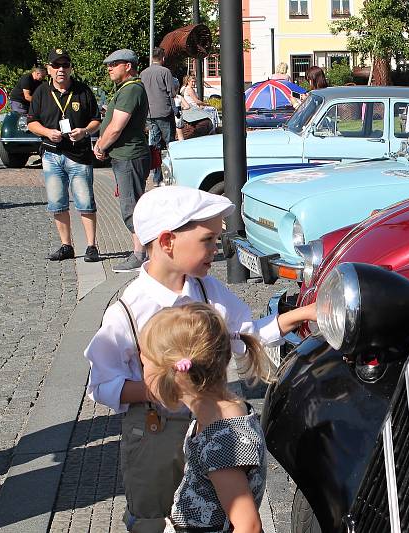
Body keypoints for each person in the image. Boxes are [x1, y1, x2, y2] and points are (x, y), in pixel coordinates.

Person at [84, 185, 316, 533]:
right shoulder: (127, 311)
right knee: (154, 516)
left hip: (207, 421)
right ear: (167, 242)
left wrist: (300, 315)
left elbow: (245, 335)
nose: (217, 249)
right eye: (207, 240)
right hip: (155, 431)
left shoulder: (209, 290)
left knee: (209, 509)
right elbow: (102, 385)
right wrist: (162, 388)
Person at [140, 302, 268, 532]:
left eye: (145, 365)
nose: (142, 375)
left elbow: (248, 526)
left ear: (174, 375)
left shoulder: (223, 442)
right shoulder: (222, 415)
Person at [27, 49, 101, 262]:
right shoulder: (41, 92)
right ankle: (66, 245)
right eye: (56, 66)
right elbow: (32, 123)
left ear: (70, 68)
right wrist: (47, 132)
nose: (61, 70)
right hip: (51, 155)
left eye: (65, 65)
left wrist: (84, 131)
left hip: (79, 155)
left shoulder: (83, 91)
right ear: (49, 69)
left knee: (85, 202)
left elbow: (96, 120)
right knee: (57, 203)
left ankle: (91, 246)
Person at [94, 49, 151, 273]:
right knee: (131, 204)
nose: (109, 68)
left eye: (114, 64)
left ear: (128, 66)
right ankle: (142, 252)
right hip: (126, 156)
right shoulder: (127, 89)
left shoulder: (131, 90)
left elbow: (117, 127)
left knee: (131, 207)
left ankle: (140, 255)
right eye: (109, 64)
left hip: (129, 157)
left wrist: (100, 146)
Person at [140, 47, 176, 187]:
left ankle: (156, 178)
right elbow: (171, 93)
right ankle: (171, 175)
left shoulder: (143, 73)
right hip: (164, 112)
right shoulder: (165, 72)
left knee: (154, 147)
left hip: (149, 114)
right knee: (169, 145)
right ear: (163, 58)